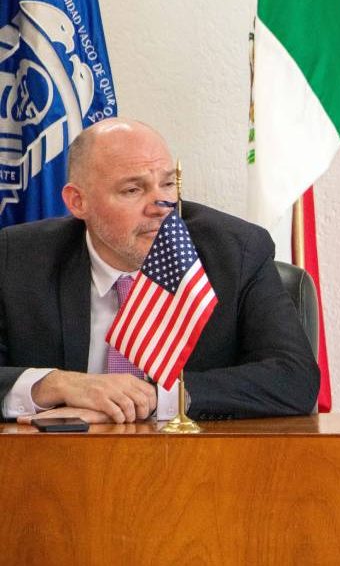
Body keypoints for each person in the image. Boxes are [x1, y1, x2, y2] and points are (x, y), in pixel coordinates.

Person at [0, 119, 319, 423]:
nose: (162, 206)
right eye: (132, 190)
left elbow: (295, 378)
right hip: (59, 456)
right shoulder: (17, 258)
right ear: (77, 201)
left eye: (167, 184)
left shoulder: (236, 251)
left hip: (196, 458)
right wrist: (53, 385)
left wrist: (153, 399)